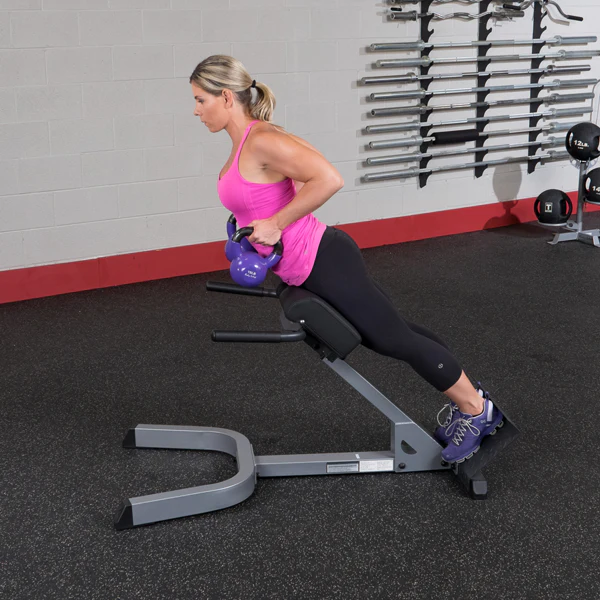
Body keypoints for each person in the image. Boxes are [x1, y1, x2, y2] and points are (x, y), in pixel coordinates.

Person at [189, 55, 504, 464]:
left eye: (200, 100)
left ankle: (477, 411)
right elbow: (261, 199)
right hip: (309, 264)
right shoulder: (248, 142)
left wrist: (277, 223)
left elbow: (328, 178)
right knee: (396, 332)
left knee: (393, 339)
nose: (196, 111)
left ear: (226, 97)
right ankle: (470, 399)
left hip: (323, 259)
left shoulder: (261, 139)